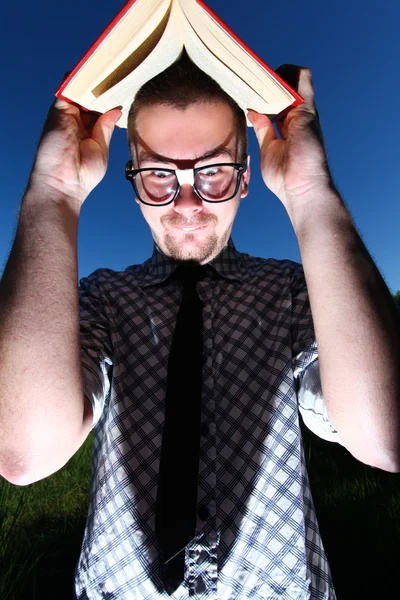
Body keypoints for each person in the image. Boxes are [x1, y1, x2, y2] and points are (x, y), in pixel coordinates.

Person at [0, 50, 399, 600]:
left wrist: (311, 194)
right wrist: (53, 194)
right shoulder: (101, 299)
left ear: (244, 179)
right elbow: (23, 452)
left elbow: (386, 436)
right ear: (131, 177)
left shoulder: (294, 293)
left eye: (211, 171)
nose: (186, 201)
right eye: (160, 174)